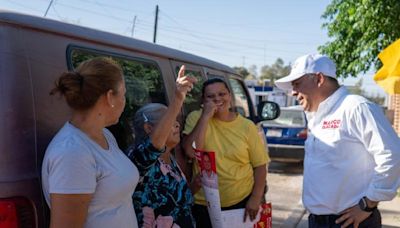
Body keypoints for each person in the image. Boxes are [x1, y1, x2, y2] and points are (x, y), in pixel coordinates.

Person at [275, 53, 400, 228]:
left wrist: (368, 205)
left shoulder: (356, 107)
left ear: (319, 79)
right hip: (318, 221)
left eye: (297, 84)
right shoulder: (316, 115)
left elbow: (392, 154)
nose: (293, 92)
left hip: (350, 221)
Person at [42, 57, 139, 228]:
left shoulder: (105, 135)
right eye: (123, 94)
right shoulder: (72, 153)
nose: (125, 102)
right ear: (110, 97)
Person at [182, 78, 269, 227]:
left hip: (240, 202)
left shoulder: (246, 126)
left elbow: (260, 165)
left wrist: (255, 198)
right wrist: (205, 117)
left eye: (222, 94)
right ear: (203, 100)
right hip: (205, 204)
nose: (217, 99)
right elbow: (191, 152)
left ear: (229, 96)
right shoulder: (195, 118)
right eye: (210, 96)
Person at [126, 66, 200, 228]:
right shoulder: (140, 158)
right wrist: (178, 98)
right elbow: (153, 146)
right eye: (168, 119)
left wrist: (195, 185)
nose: (176, 124)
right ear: (148, 128)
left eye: (175, 119)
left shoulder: (170, 159)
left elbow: (178, 201)